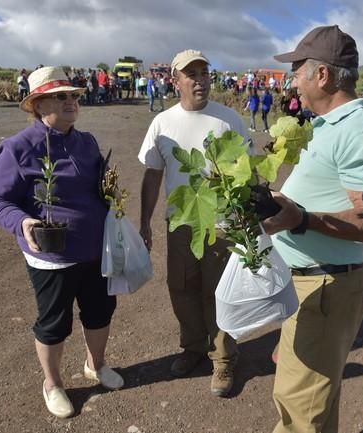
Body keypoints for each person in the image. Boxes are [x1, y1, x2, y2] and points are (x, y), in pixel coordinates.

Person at [264, 25, 363, 433]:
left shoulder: (357, 130)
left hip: (325, 287)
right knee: (311, 401)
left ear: (322, 76)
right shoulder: (329, 124)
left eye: (297, 71)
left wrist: (301, 219)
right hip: (312, 284)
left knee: (301, 411)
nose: (293, 81)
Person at [0, 66, 123, 419]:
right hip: (52, 257)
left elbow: (95, 186)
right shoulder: (16, 148)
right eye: (61, 96)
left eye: (74, 95)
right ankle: (53, 383)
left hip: (95, 249)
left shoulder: (86, 141)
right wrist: (23, 222)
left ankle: (96, 364)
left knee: (100, 312)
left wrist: (111, 196)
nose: (71, 101)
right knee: (54, 323)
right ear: (37, 103)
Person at [137, 49, 249, 397]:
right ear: (176, 81)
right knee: (182, 287)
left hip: (222, 223)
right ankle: (193, 347)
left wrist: (248, 216)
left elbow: (248, 172)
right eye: (192, 74)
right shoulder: (162, 122)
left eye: (204, 72)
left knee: (218, 291)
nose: (200, 80)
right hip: (181, 222)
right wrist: (144, 223)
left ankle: (223, 359)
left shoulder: (229, 120)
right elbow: (153, 175)